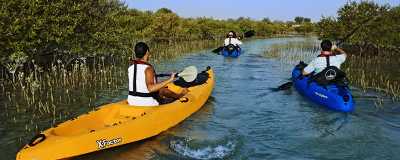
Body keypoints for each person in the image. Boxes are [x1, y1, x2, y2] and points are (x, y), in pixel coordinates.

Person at [128, 42, 188, 106]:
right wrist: (170, 80)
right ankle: (179, 96)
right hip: (146, 103)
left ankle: (176, 96)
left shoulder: (130, 68)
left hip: (131, 101)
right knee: (163, 91)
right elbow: (150, 88)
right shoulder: (148, 69)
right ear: (147, 52)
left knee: (161, 90)